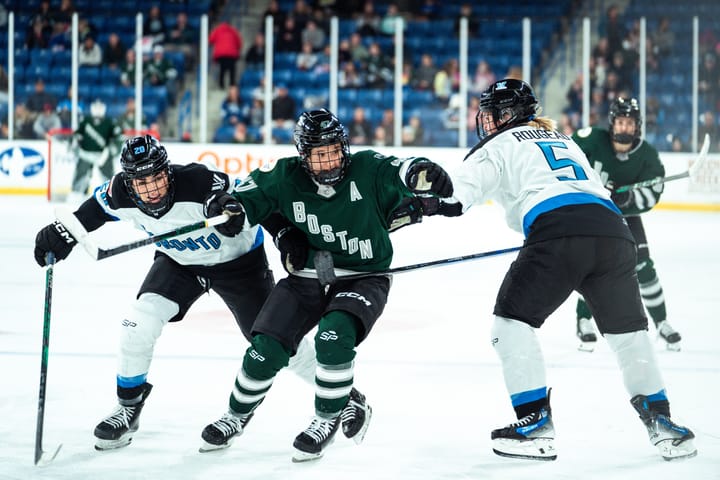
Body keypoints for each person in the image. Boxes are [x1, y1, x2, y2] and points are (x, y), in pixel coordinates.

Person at [32, 135, 368, 451]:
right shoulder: (119, 192)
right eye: (141, 182)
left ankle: (346, 395)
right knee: (137, 326)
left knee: (276, 342)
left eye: (157, 178)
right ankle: (128, 408)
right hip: (179, 264)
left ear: (168, 171)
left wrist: (280, 234)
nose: (151, 190)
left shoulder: (198, 182)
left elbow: (257, 201)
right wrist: (64, 233)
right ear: (129, 183)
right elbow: (90, 213)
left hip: (239, 265)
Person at [426, 79, 696, 461]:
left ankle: (535, 422)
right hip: (614, 233)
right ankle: (665, 425)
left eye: (491, 113)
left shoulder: (499, 144)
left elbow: (453, 197)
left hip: (558, 233)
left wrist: (418, 203)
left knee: (510, 324)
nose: (485, 121)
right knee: (629, 336)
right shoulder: (564, 140)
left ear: (507, 115)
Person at [199, 108, 452, 461]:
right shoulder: (285, 176)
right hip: (307, 276)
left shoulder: (367, 167)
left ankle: (326, 418)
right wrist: (230, 208)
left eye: (334, 150)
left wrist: (421, 171)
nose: (329, 160)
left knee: (333, 336)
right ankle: (235, 416)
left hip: (364, 277)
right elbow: (244, 198)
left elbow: (401, 170)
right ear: (303, 155)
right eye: (319, 154)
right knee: (265, 348)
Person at [571, 97, 682, 351]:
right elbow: (564, 159)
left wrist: (628, 197)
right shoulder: (590, 140)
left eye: (629, 124)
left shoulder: (647, 156)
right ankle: (584, 321)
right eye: (620, 122)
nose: (624, 128)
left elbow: (652, 195)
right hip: (594, 213)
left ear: (637, 126)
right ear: (612, 124)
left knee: (643, 265)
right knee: (594, 265)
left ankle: (662, 322)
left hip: (627, 215)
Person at [69, 99, 123, 199]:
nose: (98, 110)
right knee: (81, 173)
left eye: (100, 108)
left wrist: (113, 149)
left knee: (108, 177)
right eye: (96, 108)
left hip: (103, 155)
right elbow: (77, 135)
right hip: (86, 154)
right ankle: (77, 192)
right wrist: (74, 143)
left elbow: (118, 137)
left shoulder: (110, 122)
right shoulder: (85, 121)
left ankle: (111, 194)